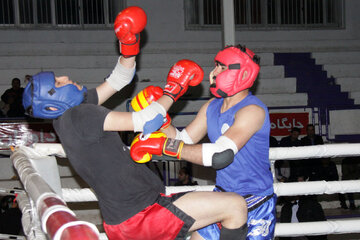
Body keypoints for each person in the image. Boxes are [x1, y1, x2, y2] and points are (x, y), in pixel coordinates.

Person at [22, 6, 248, 240]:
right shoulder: (81, 115)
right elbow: (148, 119)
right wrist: (174, 89)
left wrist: (128, 45)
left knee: (205, 225)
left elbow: (120, 79)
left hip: (134, 214)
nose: (66, 78)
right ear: (51, 106)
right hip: (140, 216)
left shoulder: (67, 119)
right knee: (235, 206)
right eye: (58, 83)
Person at [131, 44, 276, 239]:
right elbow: (183, 140)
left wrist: (166, 146)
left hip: (254, 201)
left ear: (244, 74)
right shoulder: (212, 106)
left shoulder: (252, 111)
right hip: (222, 196)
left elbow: (220, 155)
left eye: (222, 67)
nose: (214, 72)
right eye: (216, 65)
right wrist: (161, 118)